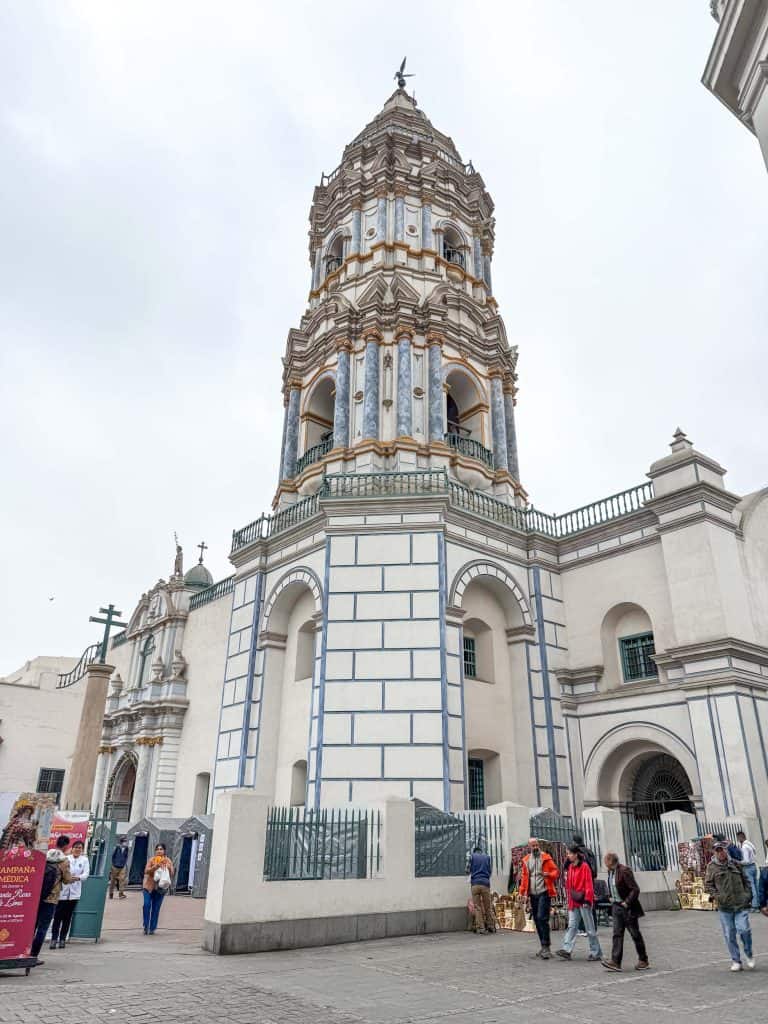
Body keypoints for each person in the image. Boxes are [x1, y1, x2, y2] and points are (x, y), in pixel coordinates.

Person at [704, 840, 753, 971]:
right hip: (725, 907)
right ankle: (736, 960)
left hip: (740, 904)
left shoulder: (736, 864)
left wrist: (747, 895)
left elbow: (746, 881)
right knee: (729, 933)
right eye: (718, 851)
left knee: (744, 929)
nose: (721, 853)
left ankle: (748, 953)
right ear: (715, 853)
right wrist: (717, 896)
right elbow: (708, 885)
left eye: (723, 850)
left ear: (726, 850)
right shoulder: (711, 867)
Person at [600, 852, 649, 972]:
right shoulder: (611, 872)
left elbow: (635, 889)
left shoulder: (624, 871)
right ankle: (615, 962)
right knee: (617, 934)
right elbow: (613, 887)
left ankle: (643, 960)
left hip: (627, 907)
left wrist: (627, 902)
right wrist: (610, 897)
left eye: (606, 861)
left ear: (611, 861)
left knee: (635, 934)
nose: (604, 863)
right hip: (616, 906)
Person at [30, 835, 74, 965]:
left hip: (37, 896)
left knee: (32, 926)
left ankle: (24, 951)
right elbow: (66, 880)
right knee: (42, 928)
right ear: (66, 846)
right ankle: (33, 956)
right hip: (51, 898)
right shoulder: (64, 861)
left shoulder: (44, 856)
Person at [555, 845, 601, 962]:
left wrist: (587, 899)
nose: (568, 856)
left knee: (589, 928)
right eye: (567, 854)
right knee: (572, 926)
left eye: (569, 853)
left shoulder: (585, 866)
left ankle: (596, 952)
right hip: (574, 901)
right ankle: (566, 950)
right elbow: (569, 886)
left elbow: (588, 883)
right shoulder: (570, 867)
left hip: (584, 900)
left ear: (576, 854)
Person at [519, 838, 559, 960]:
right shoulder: (526, 860)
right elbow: (524, 877)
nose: (535, 847)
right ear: (529, 847)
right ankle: (543, 946)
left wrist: (548, 874)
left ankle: (546, 947)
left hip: (544, 892)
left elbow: (556, 872)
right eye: (533, 846)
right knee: (536, 920)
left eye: (536, 845)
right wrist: (522, 892)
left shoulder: (546, 857)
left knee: (542, 917)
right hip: (532, 894)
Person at [50, 839, 90, 949]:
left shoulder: (85, 860)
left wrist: (77, 878)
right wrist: (67, 878)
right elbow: (60, 873)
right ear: (72, 848)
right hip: (63, 891)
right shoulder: (66, 859)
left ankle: (63, 939)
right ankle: (54, 939)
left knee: (67, 917)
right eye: (76, 847)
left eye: (80, 848)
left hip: (74, 893)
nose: (77, 849)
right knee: (57, 916)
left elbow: (86, 874)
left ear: (82, 850)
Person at [142, 842, 174, 935]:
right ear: (155, 851)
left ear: (164, 851)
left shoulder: (167, 860)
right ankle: (146, 925)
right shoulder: (152, 860)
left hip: (160, 889)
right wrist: (156, 866)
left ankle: (152, 928)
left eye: (161, 849)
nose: (159, 851)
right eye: (157, 849)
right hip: (148, 887)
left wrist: (167, 867)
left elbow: (172, 873)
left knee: (156, 908)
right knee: (146, 905)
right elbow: (146, 871)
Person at [467, 843, 494, 934]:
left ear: (474, 852)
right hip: (485, 884)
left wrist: (473, 872)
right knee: (488, 906)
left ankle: (481, 928)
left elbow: (467, 870)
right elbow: (490, 871)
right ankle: (491, 926)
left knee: (477, 907)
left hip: (475, 884)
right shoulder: (487, 857)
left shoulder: (472, 857)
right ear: (481, 851)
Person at [737, 831, 759, 910]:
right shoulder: (750, 844)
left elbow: (746, 860)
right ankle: (758, 903)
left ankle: (754, 905)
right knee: (756, 886)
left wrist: (739, 862)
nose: (738, 840)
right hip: (753, 866)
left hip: (748, 867)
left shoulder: (744, 847)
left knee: (751, 887)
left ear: (740, 837)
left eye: (738, 838)